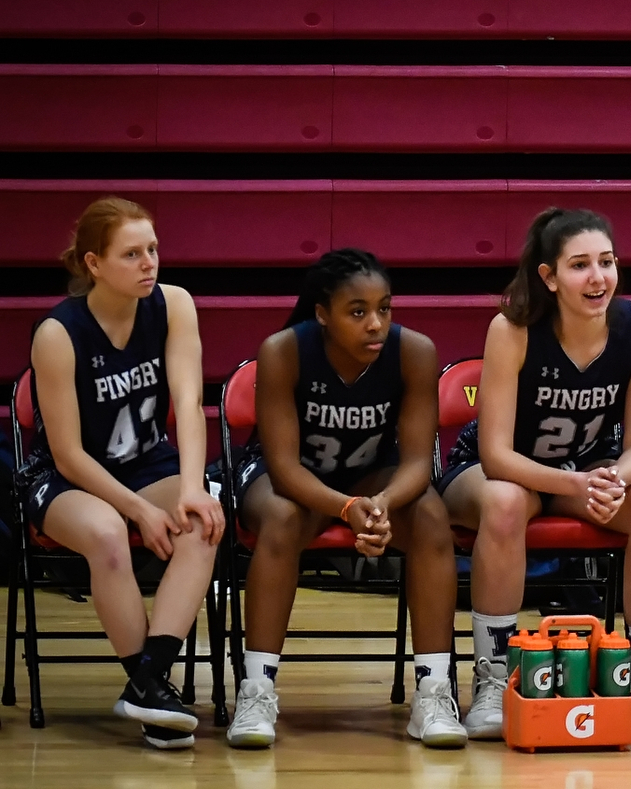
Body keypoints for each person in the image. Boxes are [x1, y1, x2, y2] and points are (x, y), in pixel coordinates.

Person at [440, 209, 631, 741]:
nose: (598, 277)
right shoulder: (513, 329)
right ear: (549, 277)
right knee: (504, 501)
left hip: (586, 470)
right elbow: (497, 454)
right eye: (580, 266)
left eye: (607, 262)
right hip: (494, 472)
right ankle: (495, 678)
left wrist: (614, 479)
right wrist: (575, 484)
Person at [226, 249, 467, 749]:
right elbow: (285, 466)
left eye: (385, 308)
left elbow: (420, 463)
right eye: (357, 312)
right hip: (294, 480)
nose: (375, 323)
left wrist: (378, 504)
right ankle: (256, 690)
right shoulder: (283, 351)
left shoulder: (414, 351)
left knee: (429, 518)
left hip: (374, 476)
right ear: (322, 313)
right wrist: (345, 507)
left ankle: (434, 693)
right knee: (283, 519)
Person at [24, 196, 223, 750]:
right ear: (93, 264)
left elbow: (188, 403)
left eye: (153, 250)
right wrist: (137, 508)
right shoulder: (58, 334)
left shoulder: (174, 305)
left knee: (202, 519)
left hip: (146, 460)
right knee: (109, 534)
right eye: (131, 254)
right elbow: (67, 455)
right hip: (68, 477)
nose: (149, 264)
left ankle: (148, 684)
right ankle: (154, 695)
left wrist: (188, 489)